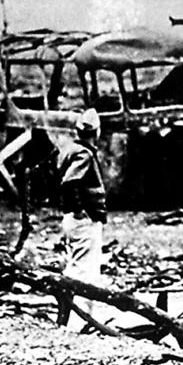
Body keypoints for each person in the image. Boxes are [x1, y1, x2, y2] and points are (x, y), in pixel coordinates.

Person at [55, 109, 109, 291]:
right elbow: (69, 182)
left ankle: (72, 311)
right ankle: (79, 315)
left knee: (79, 266)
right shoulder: (84, 154)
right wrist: (79, 210)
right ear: (97, 132)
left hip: (74, 219)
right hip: (84, 219)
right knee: (85, 271)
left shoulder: (70, 150)